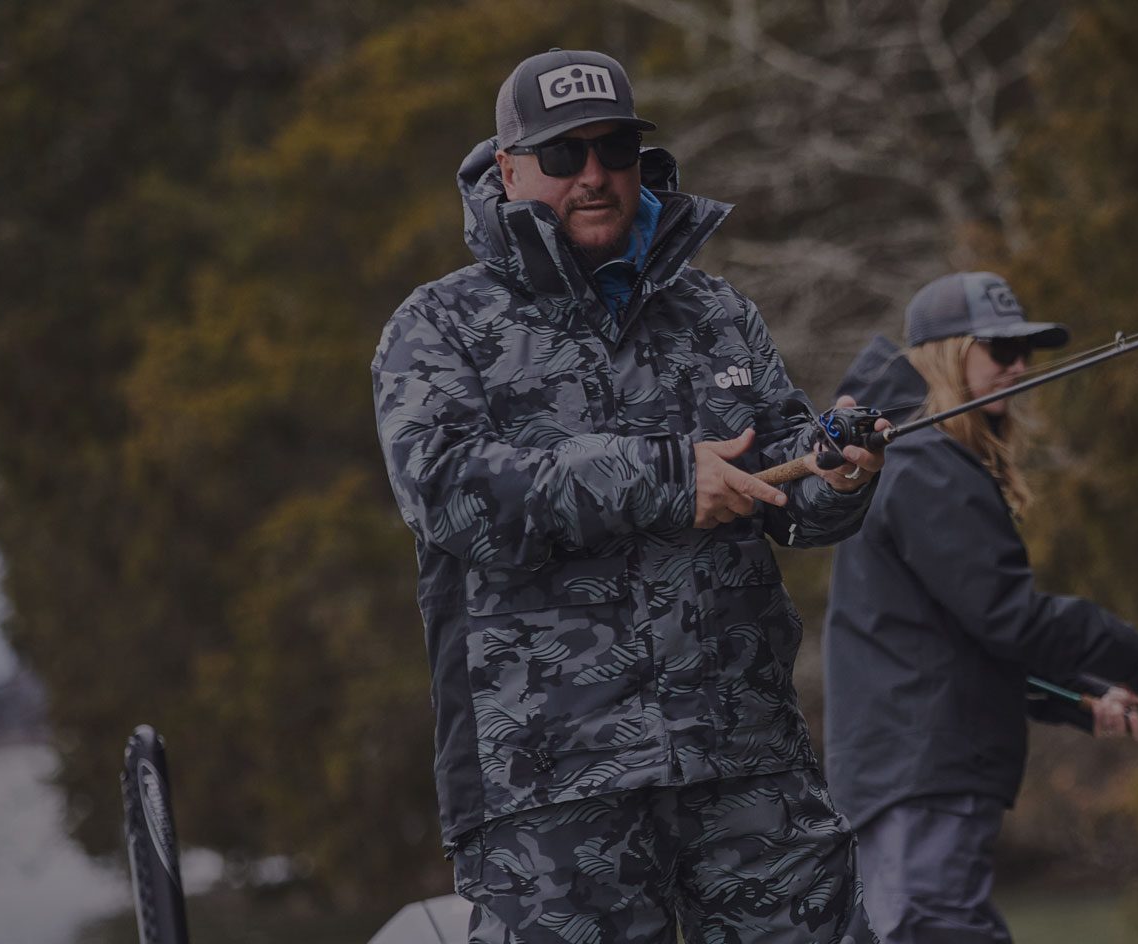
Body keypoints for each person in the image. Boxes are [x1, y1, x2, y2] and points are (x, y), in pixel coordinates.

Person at [372, 48, 886, 944]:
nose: (596, 176)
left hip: (746, 761)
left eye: (615, 150)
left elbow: (789, 492)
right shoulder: (437, 327)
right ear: (509, 169)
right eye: (564, 155)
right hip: (550, 787)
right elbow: (447, 494)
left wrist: (835, 474)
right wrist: (660, 477)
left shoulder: (718, 314)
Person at [824, 272, 1138, 944]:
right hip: (920, 776)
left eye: (1025, 353)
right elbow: (1009, 618)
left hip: (912, 773)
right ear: (949, 355)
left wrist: (1085, 698)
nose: (1018, 367)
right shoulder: (926, 464)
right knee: (936, 929)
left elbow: (965, 641)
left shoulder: (914, 460)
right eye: (998, 351)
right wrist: (1132, 655)